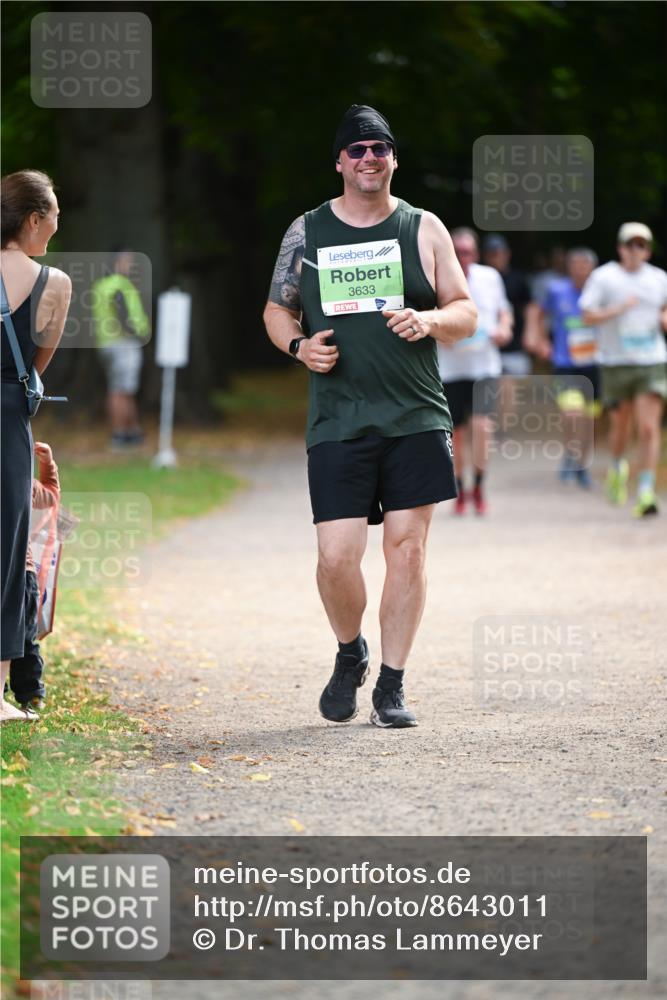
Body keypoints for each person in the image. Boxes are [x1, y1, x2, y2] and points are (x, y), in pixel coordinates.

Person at [263, 105, 476, 729]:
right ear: (339, 162)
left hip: (415, 413)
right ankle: (351, 651)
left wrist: (430, 319)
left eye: (379, 148)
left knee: (407, 551)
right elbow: (278, 311)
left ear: (393, 159)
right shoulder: (307, 231)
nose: (368, 158)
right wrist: (299, 346)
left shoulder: (424, 227)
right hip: (339, 419)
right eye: (356, 149)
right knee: (336, 556)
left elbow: (465, 311)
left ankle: (392, 684)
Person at [1, 169, 71, 723]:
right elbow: (35, 371)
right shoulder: (55, 284)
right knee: (7, 553)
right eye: (52, 219)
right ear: (32, 220)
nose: (54, 228)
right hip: (7, 421)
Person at [579, 223, 667, 516]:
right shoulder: (604, 277)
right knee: (620, 428)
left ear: (648, 251)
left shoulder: (659, 279)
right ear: (620, 248)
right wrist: (617, 309)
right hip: (615, 362)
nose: (634, 251)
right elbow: (587, 315)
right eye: (630, 245)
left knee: (647, 427)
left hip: (651, 361)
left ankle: (645, 489)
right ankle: (618, 464)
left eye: (641, 245)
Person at [437, 228, 512, 515]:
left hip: (485, 366)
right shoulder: (436, 276)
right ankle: (459, 487)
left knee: (482, 427)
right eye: (457, 251)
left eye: (467, 251)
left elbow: (504, 310)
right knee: (456, 433)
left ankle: (479, 485)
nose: (462, 256)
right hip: (451, 369)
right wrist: (441, 334)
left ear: (476, 253)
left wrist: (505, 328)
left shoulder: (489, 277)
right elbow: (428, 316)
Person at [524, 248, 600, 487]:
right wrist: (539, 338)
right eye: (575, 264)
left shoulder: (601, 292)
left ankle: (582, 464)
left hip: (595, 363)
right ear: (568, 267)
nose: (580, 269)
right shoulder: (557, 290)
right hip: (565, 362)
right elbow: (537, 310)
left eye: (584, 264)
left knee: (589, 419)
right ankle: (570, 452)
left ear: (592, 268)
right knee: (571, 414)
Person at [7, 441, 61, 715]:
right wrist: (47, 463)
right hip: (20, 572)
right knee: (22, 637)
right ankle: (26, 693)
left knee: (24, 637)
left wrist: (46, 464)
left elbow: (50, 495)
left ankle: (30, 694)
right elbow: (52, 492)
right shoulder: (23, 483)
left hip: (21, 572)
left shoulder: (25, 485)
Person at [92, 249, 150, 451]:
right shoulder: (120, 285)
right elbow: (124, 312)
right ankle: (119, 434)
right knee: (119, 390)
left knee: (124, 388)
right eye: (129, 262)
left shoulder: (100, 286)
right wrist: (136, 331)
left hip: (106, 344)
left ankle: (132, 431)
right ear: (118, 262)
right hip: (123, 343)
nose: (132, 266)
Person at [482, 233, 533, 378]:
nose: (496, 257)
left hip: (515, 346)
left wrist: (530, 333)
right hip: (485, 347)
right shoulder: (478, 279)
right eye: (491, 254)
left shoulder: (518, 278)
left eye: (499, 253)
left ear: (507, 254)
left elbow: (529, 307)